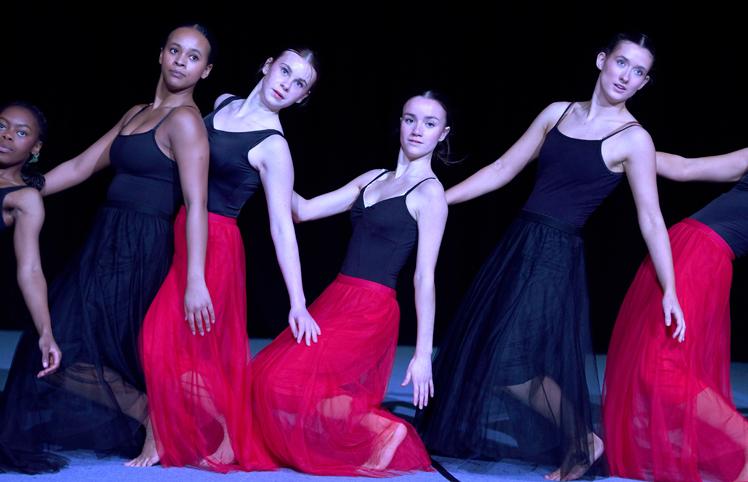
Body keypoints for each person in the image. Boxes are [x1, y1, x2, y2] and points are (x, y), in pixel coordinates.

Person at [416, 33, 685, 481]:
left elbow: (652, 218)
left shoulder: (635, 139)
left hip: (555, 254)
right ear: (602, 60)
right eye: (622, 63)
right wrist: (439, 201)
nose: (626, 76)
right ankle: (581, 440)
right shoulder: (557, 113)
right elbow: (502, 169)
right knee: (493, 351)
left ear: (643, 83)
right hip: (520, 244)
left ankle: (583, 440)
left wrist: (669, 287)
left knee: (508, 361)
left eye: (639, 72)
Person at [0, 24, 214, 460]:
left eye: (193, 57)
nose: (181, 61)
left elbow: (197, 204)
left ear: (205, 71)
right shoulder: (137, 112)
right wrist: (20, 189)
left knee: (71, 343)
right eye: (175, 50)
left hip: (142, 245)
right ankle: (152, 412)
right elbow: (82, 166)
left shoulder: (186, 121)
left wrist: (196, 279)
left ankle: (153, 416)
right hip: (107, 238)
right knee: (60, 344)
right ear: (161, 54)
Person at [137, 47, 320, 471]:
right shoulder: (223, 103)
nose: (286, 84)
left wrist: (298, 302)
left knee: (162, 339)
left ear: (302, 97)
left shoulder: (273, 146)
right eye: (285, 71)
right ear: (267, 64)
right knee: (181, 347)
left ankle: (179, 433)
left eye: (299, 84)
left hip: (216, 246)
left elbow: (282, 227)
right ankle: (218, 431)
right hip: (182, 231)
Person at [251, 91, 450, 476]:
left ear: (442, 134)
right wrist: (264, 165)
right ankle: (371, 424)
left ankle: (382, 428)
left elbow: (424, 277)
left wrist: (424, 353)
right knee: (269, 377)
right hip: (337, 296)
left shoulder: (430, 194)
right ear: (400, 122)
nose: (417, 130)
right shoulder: (372, 178)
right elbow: (303, 210)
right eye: (410, 119)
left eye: (430, 124)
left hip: (371, 308)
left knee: (281, 381)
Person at [604, 147, 748, 482]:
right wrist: (620, 149)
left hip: (706, 257)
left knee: (661, 367)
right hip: (680, 244)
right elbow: (686, 167)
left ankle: (743, 440)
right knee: (650, 359)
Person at [0, 100, 67, 474]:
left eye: (21, 132)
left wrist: (45, 332)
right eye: (2, 126)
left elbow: (30, 269)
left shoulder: (23, 199)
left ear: (35, 148)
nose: (8, 136)